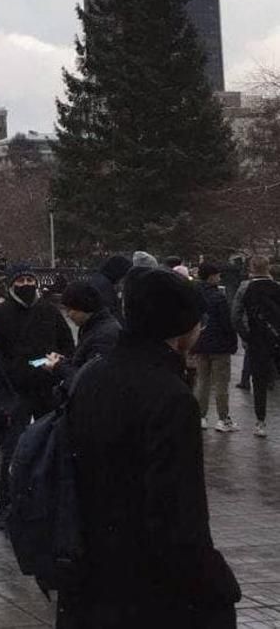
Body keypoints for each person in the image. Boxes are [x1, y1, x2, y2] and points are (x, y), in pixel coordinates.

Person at [60, 267, 240, 627]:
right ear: (181, 326)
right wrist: (213, 584)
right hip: (147, 586)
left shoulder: (92, 376)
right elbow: (177, 510)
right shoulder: (169, 396)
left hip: (92, 575)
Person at [0, 264, 75, 530]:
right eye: (21, 280)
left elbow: (66, 343)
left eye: (29, 280)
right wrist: (8, 376)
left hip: (47, 389)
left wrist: (58, 362)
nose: (26, 285)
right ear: (13, 284)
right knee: (11, 450)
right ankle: (8, 505)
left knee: (50, 446)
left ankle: (45, 501)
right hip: (16, 392)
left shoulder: (48, 311)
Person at [232, 255, 280, 437]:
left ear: (251, 267)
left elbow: (236, 315)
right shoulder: (276, 287)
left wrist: (246, 336)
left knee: (258, 381)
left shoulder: (245, 288)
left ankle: (260, 422)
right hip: (276, 337)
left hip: (257, 338)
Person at [190, 262, 239, 433]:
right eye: (217, 275)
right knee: (221, 384)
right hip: (219, 345)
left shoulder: (194, 294)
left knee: (202, 382)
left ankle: (200, 416)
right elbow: (227, 323)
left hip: (199, 343)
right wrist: (233, 342)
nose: (219, 278)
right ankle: (223, 418)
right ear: (211, 276)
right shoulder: (219, 297)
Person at [53, 281, 121, 389]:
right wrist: (65, 362)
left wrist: (58, 367)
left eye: (69, 309)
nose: (67, 314)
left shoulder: (104, 336)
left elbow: (90, 379)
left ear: (82, 307)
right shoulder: (92, 327)